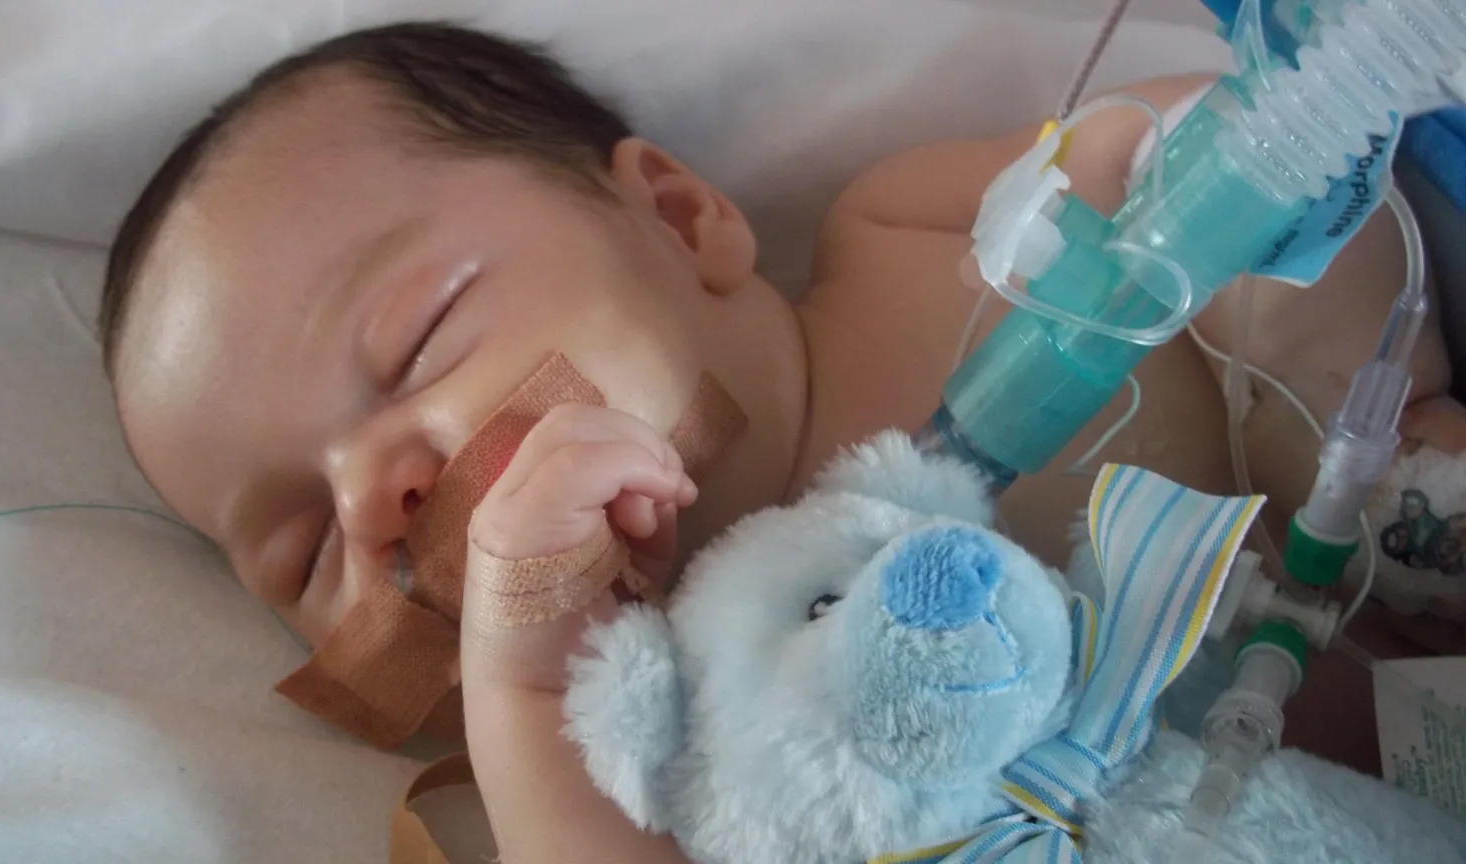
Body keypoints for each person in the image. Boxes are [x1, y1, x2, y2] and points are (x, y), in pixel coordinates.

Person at [100, 22, 1463, 863]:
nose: (372, 500)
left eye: (415, 343)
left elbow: (1239, 167)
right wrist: (520, 691)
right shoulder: (646, 759)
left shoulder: (906, 240)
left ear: (683, 220)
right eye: (298, 555)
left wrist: (1355, 444)